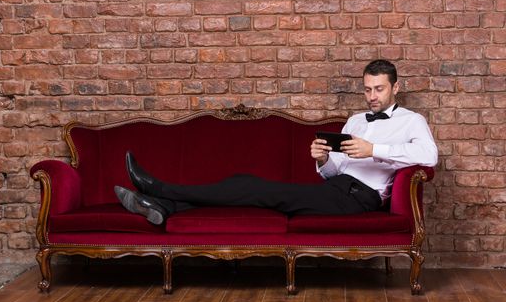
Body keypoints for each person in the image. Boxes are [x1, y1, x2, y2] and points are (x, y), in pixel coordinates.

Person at [115, 60, 438, 225]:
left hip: (358, 200)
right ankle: (164, 207)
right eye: (367, 89)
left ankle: (159, 190)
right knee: (244, 183)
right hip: (334, 188)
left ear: (395, 88)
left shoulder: (412, 121)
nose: (371, 96)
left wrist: (374, 150)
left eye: (379, 89)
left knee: (253, 187)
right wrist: (324, 161)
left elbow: (429, 156)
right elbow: (336, 170)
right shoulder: (355, 120)